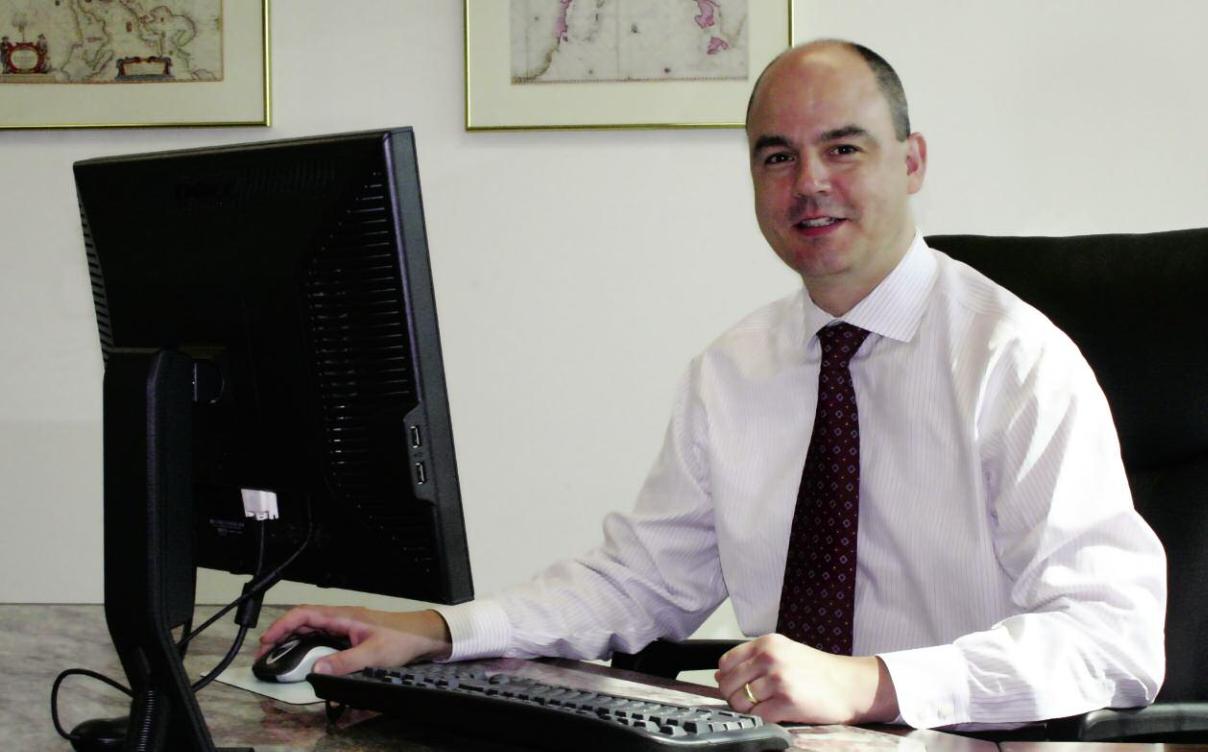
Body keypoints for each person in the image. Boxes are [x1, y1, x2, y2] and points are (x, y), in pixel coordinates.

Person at [260, 40, 1166, 730]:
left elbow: (1115, 637)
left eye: (843, 148)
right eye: (777, 157)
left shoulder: (1014, 360)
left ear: (912, 160)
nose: (809, 184)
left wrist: (872, 684)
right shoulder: (733, 370)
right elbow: (637, 585)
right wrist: (438, 631)